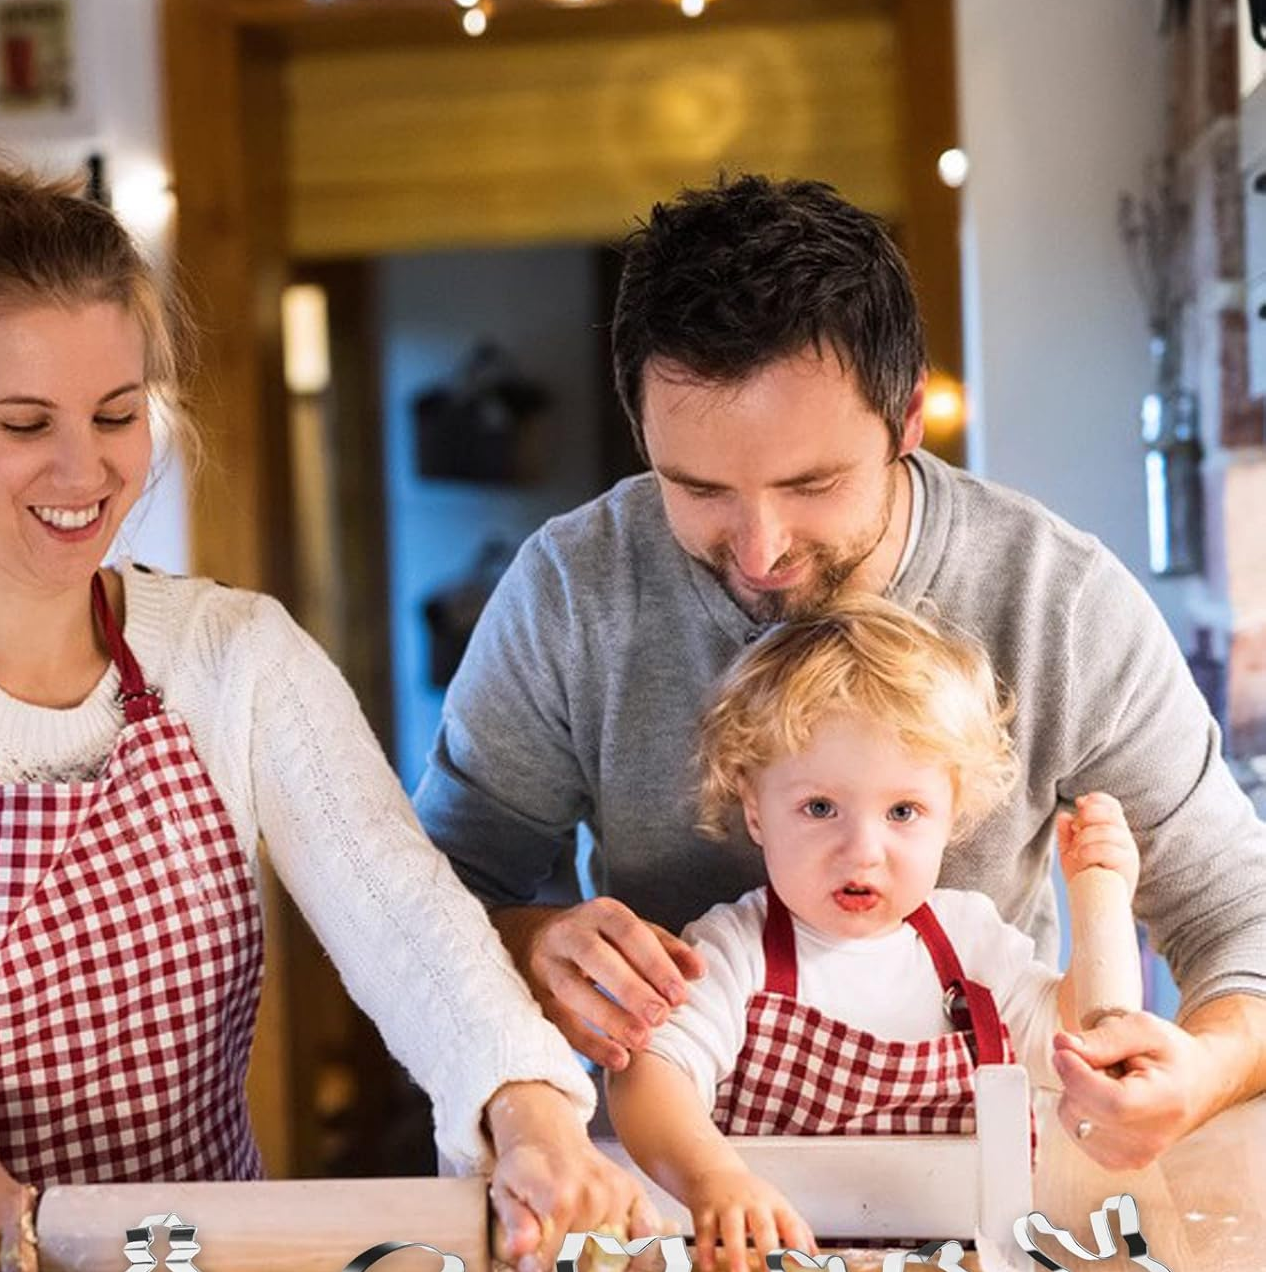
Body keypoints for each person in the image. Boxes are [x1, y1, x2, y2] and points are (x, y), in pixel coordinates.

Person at [0, 127, 657, 1272]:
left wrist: (528, 1107)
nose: (83, 472)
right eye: (25, 424)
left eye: (117, 414)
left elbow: (409, 922)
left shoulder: (235, 657)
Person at [415, 174, 1266, 1174]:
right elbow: (433, 899)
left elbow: (1234, 913)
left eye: (810, 484)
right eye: (697, 489)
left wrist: (1203, 1071)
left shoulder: (1057, 599)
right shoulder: (572, 587)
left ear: (907, 420)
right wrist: (532, 943)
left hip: (997, 1186)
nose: (761, 549)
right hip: (687, 1199)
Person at [608, 598, 1146, 1272]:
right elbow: (648, 1077)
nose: (862, 851)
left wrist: (1102, 893)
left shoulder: (973, 946)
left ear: (953, 815)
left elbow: (1096, 1042)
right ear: (755, 808)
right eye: (819, 808)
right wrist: (711, 1178)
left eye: (903, 811)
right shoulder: (734, 950)